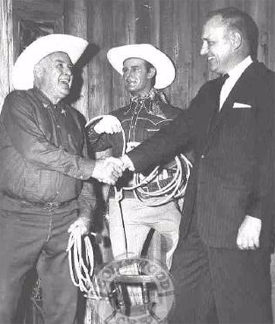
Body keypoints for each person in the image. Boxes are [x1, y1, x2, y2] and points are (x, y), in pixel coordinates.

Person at [119, 7, 275, 324]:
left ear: (234, 40)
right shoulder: (209, 91)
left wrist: (257, 215)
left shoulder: (267, 86)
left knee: (242, 314)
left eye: (209, 42)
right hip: (197, 228)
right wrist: (126, 160)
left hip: (240, 227)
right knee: (184, 310)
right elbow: (175, 134)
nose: (203, 51)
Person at [0, 34, 124, 324]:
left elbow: (85, 181)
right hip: (18, 218)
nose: (69, 73)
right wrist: (93, 168)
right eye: (60, 65)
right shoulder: (18, 103)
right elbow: (35, 151)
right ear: (39, 71)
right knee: (3, 303)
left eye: (71, 69)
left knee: (64, 308)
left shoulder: (75, 119)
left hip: (66, 223)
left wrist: (84, 216)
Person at [86, 44, 190, 270]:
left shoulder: (174, 117)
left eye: (134, 69)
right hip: (125, 202)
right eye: (125, 70)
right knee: (126, 269)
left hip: (164, 200)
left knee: (186, 252)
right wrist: (96, 128)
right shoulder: (116, 118)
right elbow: (87, 144)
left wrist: (162, 163)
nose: (127, 75)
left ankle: (181, 304)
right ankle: (133, 307)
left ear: (151, 72)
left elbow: (190, 160)